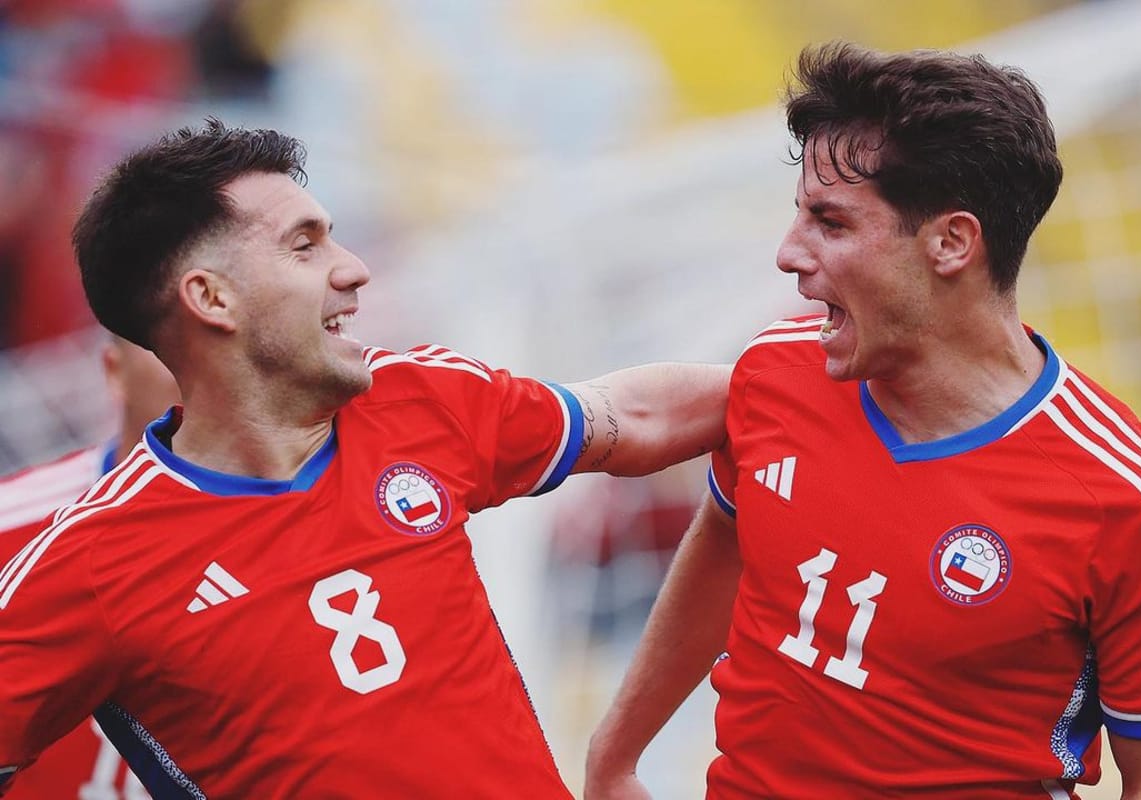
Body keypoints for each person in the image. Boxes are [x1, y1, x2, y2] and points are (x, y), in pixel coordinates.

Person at [0, 119, 730, 799]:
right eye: (305, 245)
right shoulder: (89, 563)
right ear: (211, 297)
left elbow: (633, 414)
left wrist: (795, 388)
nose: (352, 269)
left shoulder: (418, 398)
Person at [585, 42, 1141, 800]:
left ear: (951, 243)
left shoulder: (1132, 506)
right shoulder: (778, 374)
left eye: (830, 223)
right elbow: (725, 541)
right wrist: (614, 755)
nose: (787, 253)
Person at [0, 336, 178, 800]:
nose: (207, 368)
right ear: (113, 371)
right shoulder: (12, 530)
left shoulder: (333, 511)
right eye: (168, 346)